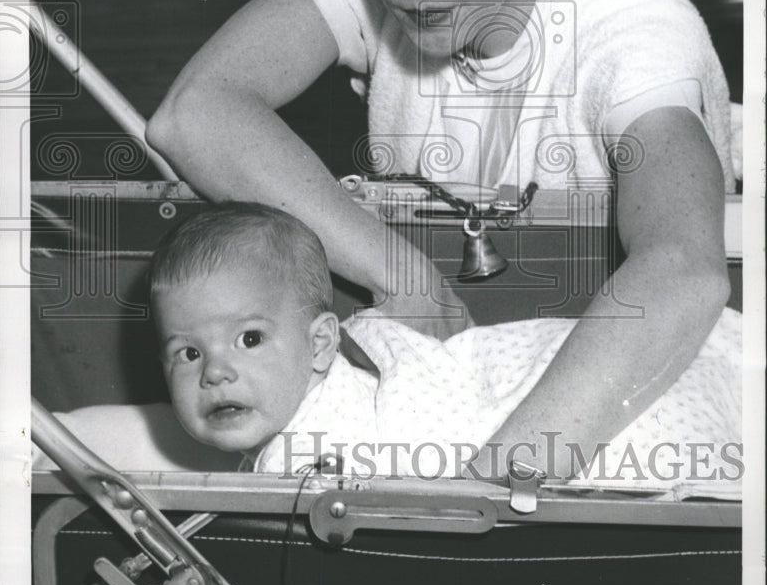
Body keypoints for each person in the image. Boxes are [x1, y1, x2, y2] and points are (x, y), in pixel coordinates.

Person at [146, 0, 734, 479]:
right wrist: (407, 273)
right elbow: (194, 112)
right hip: (463, 353)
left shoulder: (633, 28)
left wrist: (487, 487)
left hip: (623, 351)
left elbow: (685, 267)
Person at [147, 202, 740, 483]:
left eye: (249, 338)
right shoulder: (311, 394)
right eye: (188, 353)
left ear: (323, 344)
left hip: (623, 403)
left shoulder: (308, 458)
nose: (215, 372)